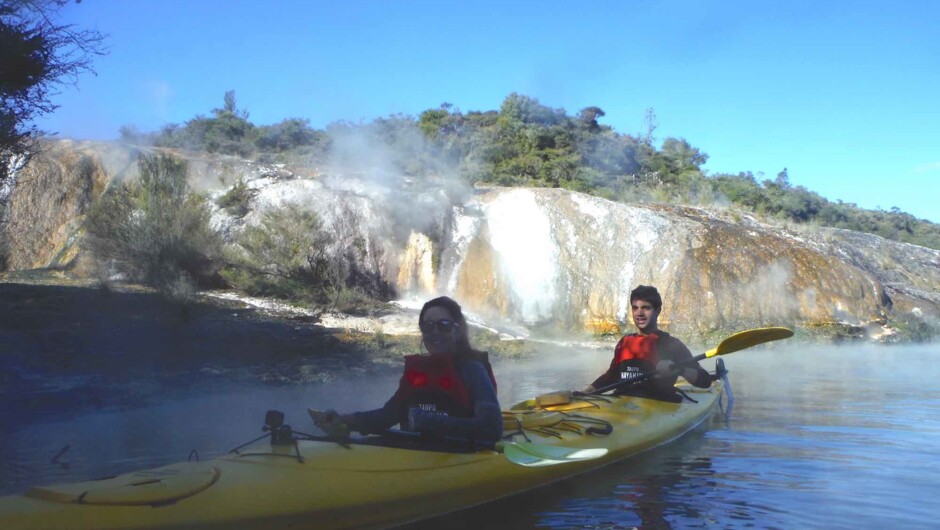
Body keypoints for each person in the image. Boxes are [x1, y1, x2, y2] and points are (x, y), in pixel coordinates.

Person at [310, 296, 503, 443]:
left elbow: (492, 428)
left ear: (458, 330)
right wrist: (344, 419)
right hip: (419, 455)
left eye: (443, 326)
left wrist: (427, 420)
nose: (435, 332)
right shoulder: (419, 373)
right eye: (427, 326)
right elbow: (388, 415)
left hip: (461, 458)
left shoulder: (472, 369)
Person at [582, 285, 712, 401]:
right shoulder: (625, 343)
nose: (639, 313)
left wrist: (679, 369)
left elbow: (705, 381)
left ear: (658, 310)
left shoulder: (671, 345)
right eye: (635, 308)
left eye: (646, 308)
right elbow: (612, 375)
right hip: (622, 403)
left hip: (657, 404)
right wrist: (587, 391)